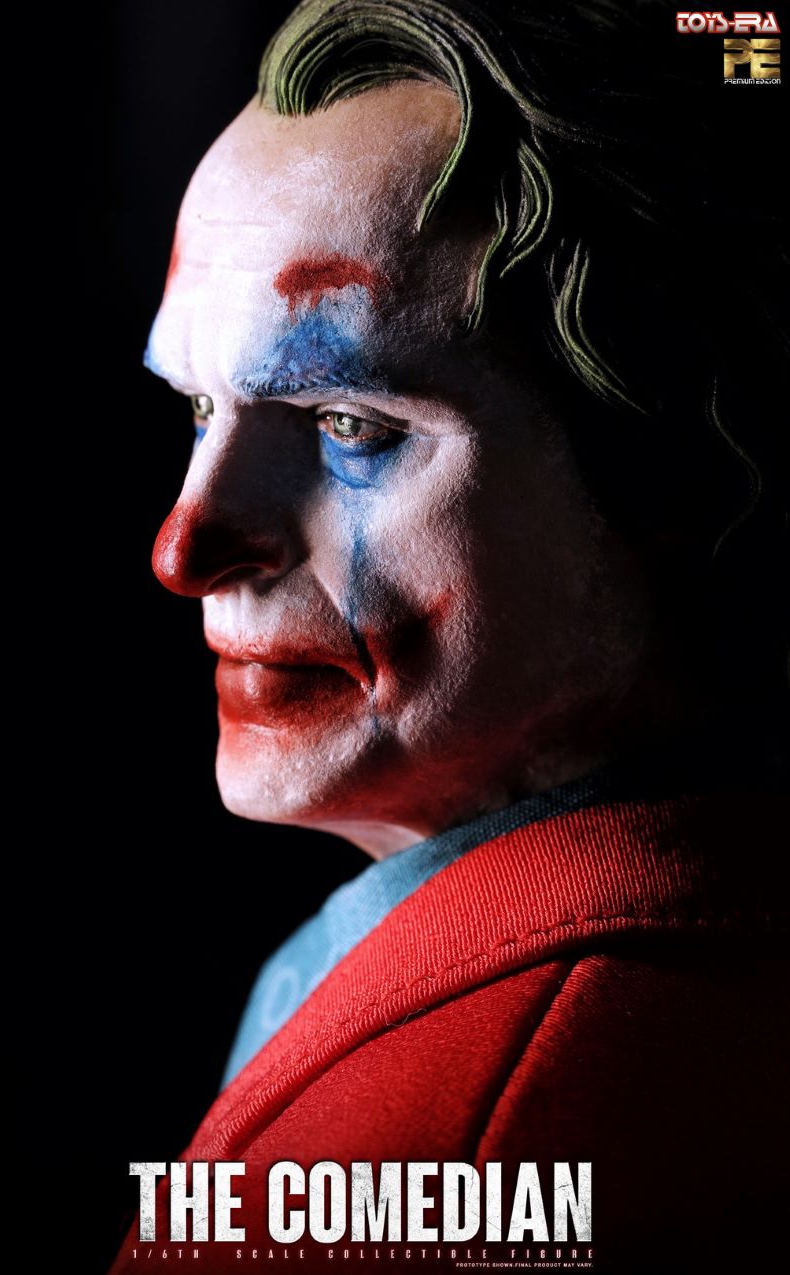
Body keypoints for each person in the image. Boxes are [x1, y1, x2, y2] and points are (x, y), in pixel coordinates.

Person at [110, 2, 787, 1270]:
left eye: (349, 424)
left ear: (669, 477)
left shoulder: (464, 1149)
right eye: (197, 405)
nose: (185, 547)